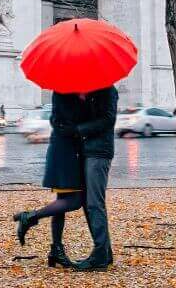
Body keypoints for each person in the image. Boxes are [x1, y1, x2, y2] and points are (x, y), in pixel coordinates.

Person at [12, 92, 86, 268]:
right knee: (75, 201)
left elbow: (58, 120)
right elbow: (67, 125)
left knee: (61, 203)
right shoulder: (67, 92)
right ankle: (30, 217)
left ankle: (56, 251)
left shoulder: (64, 92)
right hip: (66, 153)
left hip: (62, 151)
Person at [73, 85, 118, 272]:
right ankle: (105, 253)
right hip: (88, 151)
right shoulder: (90, 91)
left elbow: (108, 119)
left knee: (94, 203)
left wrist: (80, 129)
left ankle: (100, 255)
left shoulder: (108, 90)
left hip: (99, 152)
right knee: (87, 202)